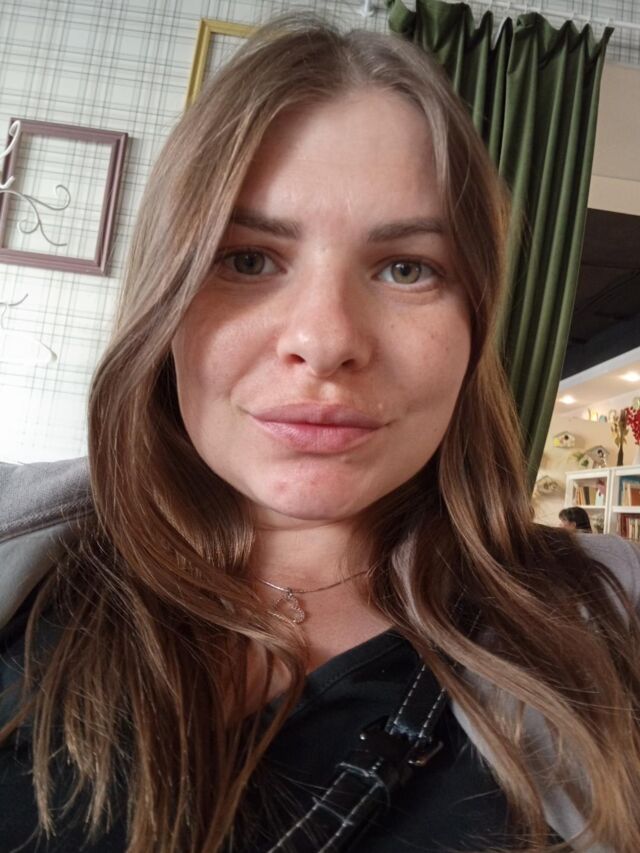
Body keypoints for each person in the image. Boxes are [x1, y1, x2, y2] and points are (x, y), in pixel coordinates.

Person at [1, 15, 639, 853]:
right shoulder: (22, 563)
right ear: (166, 298)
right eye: (248, 259)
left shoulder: (611, 624)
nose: (326, 338)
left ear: (476, 323)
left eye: (406, 268)